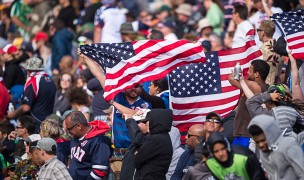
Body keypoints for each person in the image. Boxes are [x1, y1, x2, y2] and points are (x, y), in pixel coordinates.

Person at [79, 50, 152, 150]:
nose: (134, 89)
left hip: (136, 151)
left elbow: (135, 114)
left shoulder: (145, 103)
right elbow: (99, 74)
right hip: (117, 152)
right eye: (131, 86)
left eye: (137, 86)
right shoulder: (117, 95)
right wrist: (86, 57)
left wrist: (114, 103)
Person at [248, 114, 304, 179]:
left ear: (270, 135)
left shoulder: (288, 146)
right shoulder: (263, 152)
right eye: (257, 142)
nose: (261, 145)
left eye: (263, 140)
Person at [228, 59, 270, 147]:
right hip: (242, 134)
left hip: (247, 135)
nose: (248, 73)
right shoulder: (260, 87)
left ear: (256, 74)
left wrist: (237, 73)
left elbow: (231, 79)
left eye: (250, 70)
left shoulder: (255, 86)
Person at [8, 57, 56, 131]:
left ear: (29, 70)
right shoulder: (50, 80)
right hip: (48, 123)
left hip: (35, 124)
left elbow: (26, 107)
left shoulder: (33, 81)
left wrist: (13, 114)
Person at [64, 111, 111, 180]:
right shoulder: (75, 138)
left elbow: (100, 171)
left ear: (79, 126)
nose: (67, 132)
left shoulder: (99, 141)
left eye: (69, 129)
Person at [133, 109, 173, 180]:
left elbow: (137, 160)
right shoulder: (165, 137)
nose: (146, 123)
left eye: (149, 120)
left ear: (156, 121)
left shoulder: (155, 139)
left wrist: (137, 153)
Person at [120, 109, 151, 180]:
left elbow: (138, 141)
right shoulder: (135, 141)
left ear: (148, 123)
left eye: (137, 122)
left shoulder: (150, 139)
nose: (135, 125)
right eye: (134, 122)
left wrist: (130, 120)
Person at [257, 20, 285, 84]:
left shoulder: (261, 50)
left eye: (258, 30)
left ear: (262, 32)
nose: (257, 33)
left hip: (266, 88)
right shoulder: (279, 48)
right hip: (278, 86)